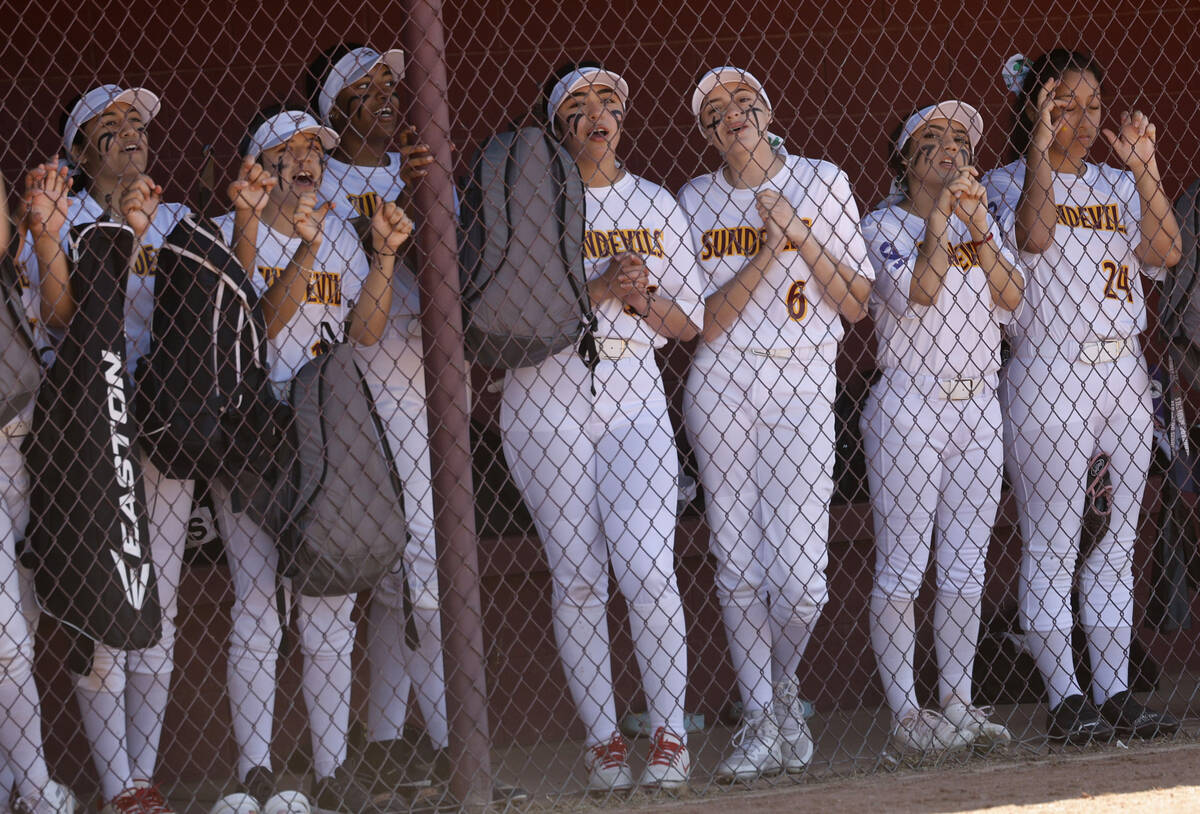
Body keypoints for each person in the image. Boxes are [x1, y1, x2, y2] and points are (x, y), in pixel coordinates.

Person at [498, 64, 702, 792]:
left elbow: (690, 324)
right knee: (579, 577)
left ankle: (670, 734)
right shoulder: (529, 201)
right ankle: (604, 740)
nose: (596, 115)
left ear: (622, 118)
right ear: (557, 125)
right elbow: (500, 315)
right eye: (577, 105)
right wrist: (594, 287)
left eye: (607, 103)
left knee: (647, 568)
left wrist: (641, 297)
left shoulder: (655, 202)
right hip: (544, 396)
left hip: (632, 394)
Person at [209, 108, 412, 814]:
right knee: (259, 604)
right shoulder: (226, 234)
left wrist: (381, 258)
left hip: (327, 428)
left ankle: (331, 770)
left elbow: (365, 331)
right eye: (286, 150)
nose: (304, 160)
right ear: (254, 168)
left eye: (312, 150)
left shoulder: (339, 240)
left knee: (330, 607)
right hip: (256, 429)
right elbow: (253, 324)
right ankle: (256, 770)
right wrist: (299, 249)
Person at [678, 66, 873, 780]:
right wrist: (766, 249)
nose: (733, 115)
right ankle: (760, 716)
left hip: (802, 376)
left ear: (767, 110)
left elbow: (855, 304)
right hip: (724, 381)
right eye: (716, 112)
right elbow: (704, 322)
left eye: (744, 101)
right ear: (708, 134)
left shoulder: (823, 179)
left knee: (800, 580)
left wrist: (799, 236)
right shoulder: (695, 200)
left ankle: (781, 684)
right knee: (736, 563)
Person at [984, 49, 1182, 743]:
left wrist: (1146, 168)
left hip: (1121, 371)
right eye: (1069, 103)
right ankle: (1066, 697)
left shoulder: (1115, 182)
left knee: (1116, 542)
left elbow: (1165, 252)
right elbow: (1034, 235)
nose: (1088, 117)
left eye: (1095, 103)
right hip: (1048, 368)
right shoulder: (1006, 181)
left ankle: (1115, 689)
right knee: (1055, 539)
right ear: (1040, 106)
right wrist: (1040, 146)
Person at [21, 85, 196, 814]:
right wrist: (95, 236)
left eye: (138, 123)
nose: (130, 135)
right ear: (81, 150)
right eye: (110, 126)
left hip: (160, 424)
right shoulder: (61, 218)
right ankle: (118, 779)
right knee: (103, 606)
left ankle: (141, 779)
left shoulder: (177, 217)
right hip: (87, 430)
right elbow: (60, 321)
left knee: (160, 610)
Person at [860, 101, 1023, 754]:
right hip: (909, 403)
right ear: (905, 157)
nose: (950, 147)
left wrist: (977, 222)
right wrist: (939, 219)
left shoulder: (982, 222)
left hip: (978, 403)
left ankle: (956, 701)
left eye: (960, 139)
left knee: (965, 567)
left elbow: (1012, 297)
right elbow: (918, 293)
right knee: (903, 567)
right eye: (932, 138)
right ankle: (907, 715)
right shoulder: (880, 224)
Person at [306, 43, 447, 790]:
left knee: (416, 562)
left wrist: (429, 199)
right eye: (366, 89)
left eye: (391, 85)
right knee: (345, 561)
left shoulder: (414, 172)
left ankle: (407, 738)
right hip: (335, 384)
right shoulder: (317, 177)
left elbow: (457, 271)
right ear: (335, 110)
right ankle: (339, 753)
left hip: (412, 380)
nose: (387, 98)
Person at [0, 168, 75, 814]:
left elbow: (59, 317)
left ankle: (15, 784)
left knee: (20, 619)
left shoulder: (24, 251)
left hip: (28, 451)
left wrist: (46, 233)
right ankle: (33, 787)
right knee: (6, 636)